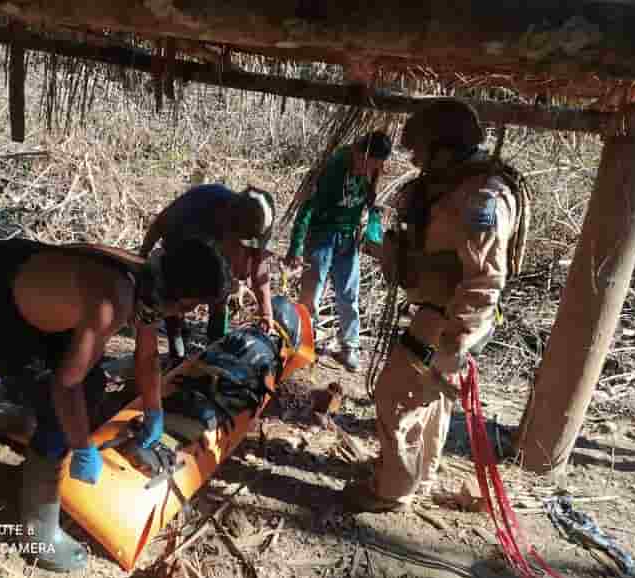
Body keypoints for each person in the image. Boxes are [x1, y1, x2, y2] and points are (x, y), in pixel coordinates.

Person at [0, 237, 231, 572]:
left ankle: (34, 414)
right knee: (58, 416)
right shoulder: (114, 300)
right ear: (179, 295)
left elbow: (148, 354)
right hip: (2, 312)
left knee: (92, 385)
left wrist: (154, 411)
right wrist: (81, 448)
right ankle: (39, 534)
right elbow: (66, 384)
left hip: (41, 299)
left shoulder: (151, 280)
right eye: (190, 306)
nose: (187, 314)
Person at [341, 98, 526, 513]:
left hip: (446, 320)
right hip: (436, 311)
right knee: (430, 402)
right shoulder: (452, 187)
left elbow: (484, 280)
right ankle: (415, 476)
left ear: (446, 147)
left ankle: (390, 490)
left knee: (396, 396)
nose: (417, 160)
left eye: (422, 151)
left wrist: (456, 343)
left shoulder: (481, 198)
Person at [284, 131, 392, 372]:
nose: (368, 170)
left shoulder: (372, 170)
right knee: (312, 293)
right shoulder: (332, 167)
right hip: (322, 234)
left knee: (348, 293)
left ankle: (348, 347)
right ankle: (303, 343)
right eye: (367, 164)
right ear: (358, 151)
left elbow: (372, 205)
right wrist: (296, 245)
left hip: (348, 237)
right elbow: (307, 207)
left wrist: (375, 235)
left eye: (375, 166)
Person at [139, 184, 276, 366]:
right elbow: (158, 226)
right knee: (174, 294)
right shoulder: (198, 203)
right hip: (180, 245)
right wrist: (141, 258)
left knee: (221, 291)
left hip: (211, 252)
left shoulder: (259, 219)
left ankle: (215, 346)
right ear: (229, 224)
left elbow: (259, 263)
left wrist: (266, 311)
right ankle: (176, 344)